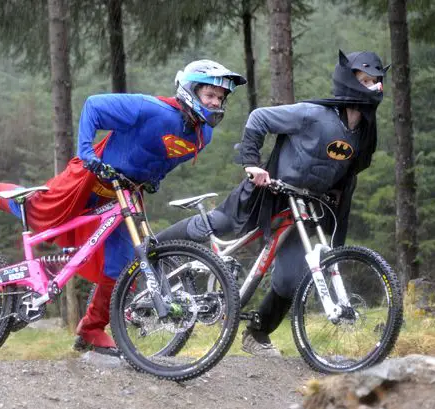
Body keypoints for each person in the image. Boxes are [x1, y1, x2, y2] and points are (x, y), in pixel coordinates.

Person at [0, 59, 246, 356]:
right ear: (190, 91)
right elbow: (94, 106)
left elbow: (163, 157)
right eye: (210, 95)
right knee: (34, 211)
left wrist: (154, 179)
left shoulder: (202, 134)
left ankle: (91, 329)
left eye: (220, 97)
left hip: (123, 194)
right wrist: (86, 152)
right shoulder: (152, 109)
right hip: (89, 179)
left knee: (123, 264)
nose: (216, 102)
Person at [156, 50, 389, 356]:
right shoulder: (313, 114)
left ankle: (257, 334)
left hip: (305, 208)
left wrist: (335, 192)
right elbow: (259, 117)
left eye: (377, 81)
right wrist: (252, 164)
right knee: (222, 224)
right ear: (349, 80)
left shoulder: (363, 132)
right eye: (367, 80)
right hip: (268, 192)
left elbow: (348, 168)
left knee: (292, 278)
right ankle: (152, 250)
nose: (375, 87)